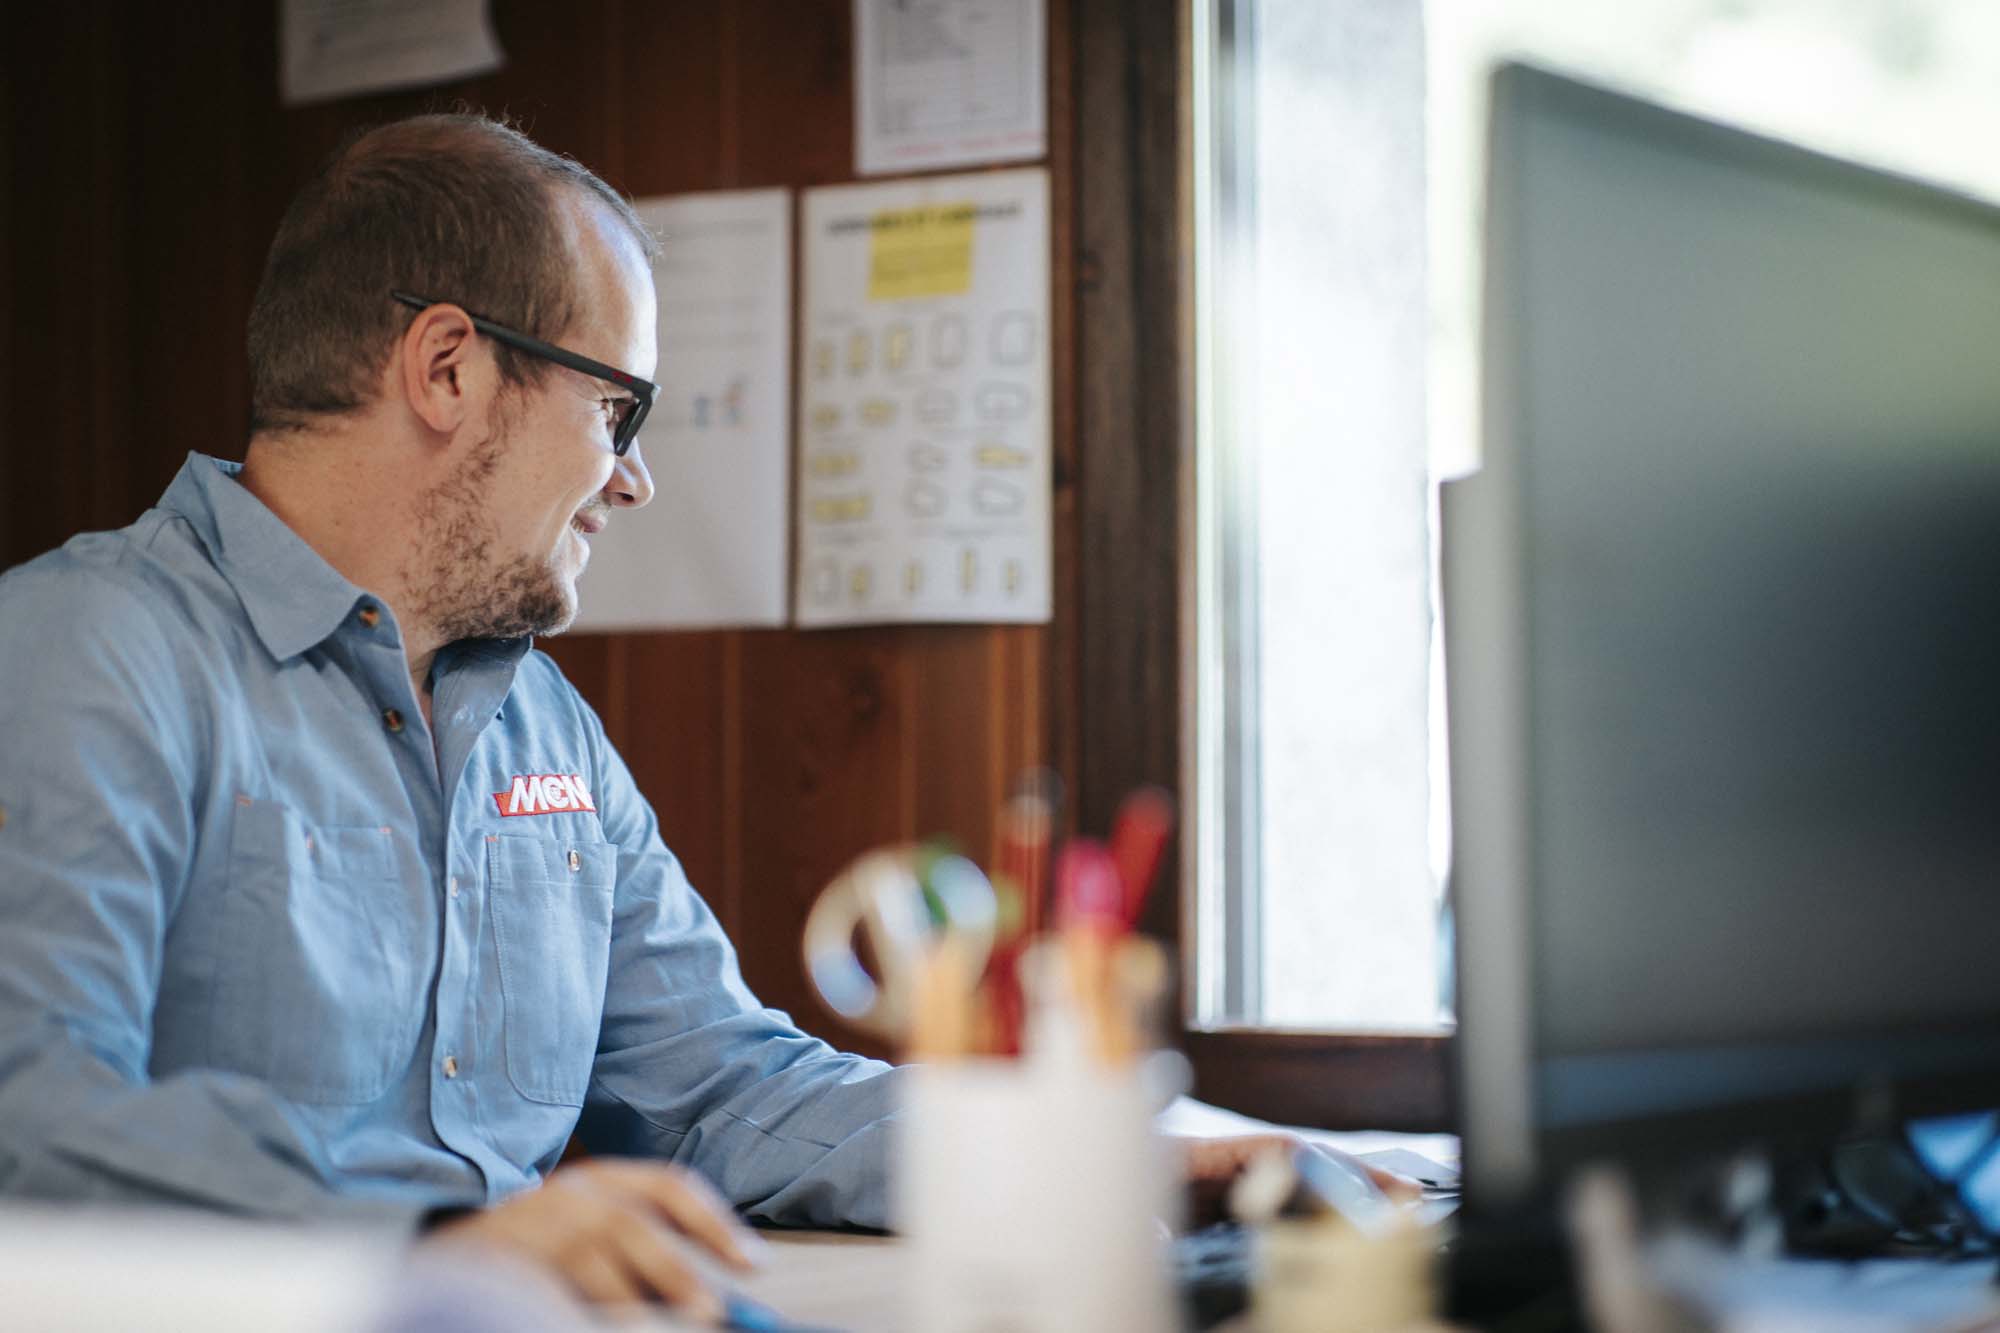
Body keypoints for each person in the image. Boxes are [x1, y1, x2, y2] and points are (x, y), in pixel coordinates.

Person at [0, 113, 1371, 1318]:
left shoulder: (542, 727)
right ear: (449, 368)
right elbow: (29, 1104)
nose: (635, 479)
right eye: (618, 407)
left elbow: (723, 1086)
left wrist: (1076, 1163)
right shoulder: (84, 651)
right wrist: (439, 1236)